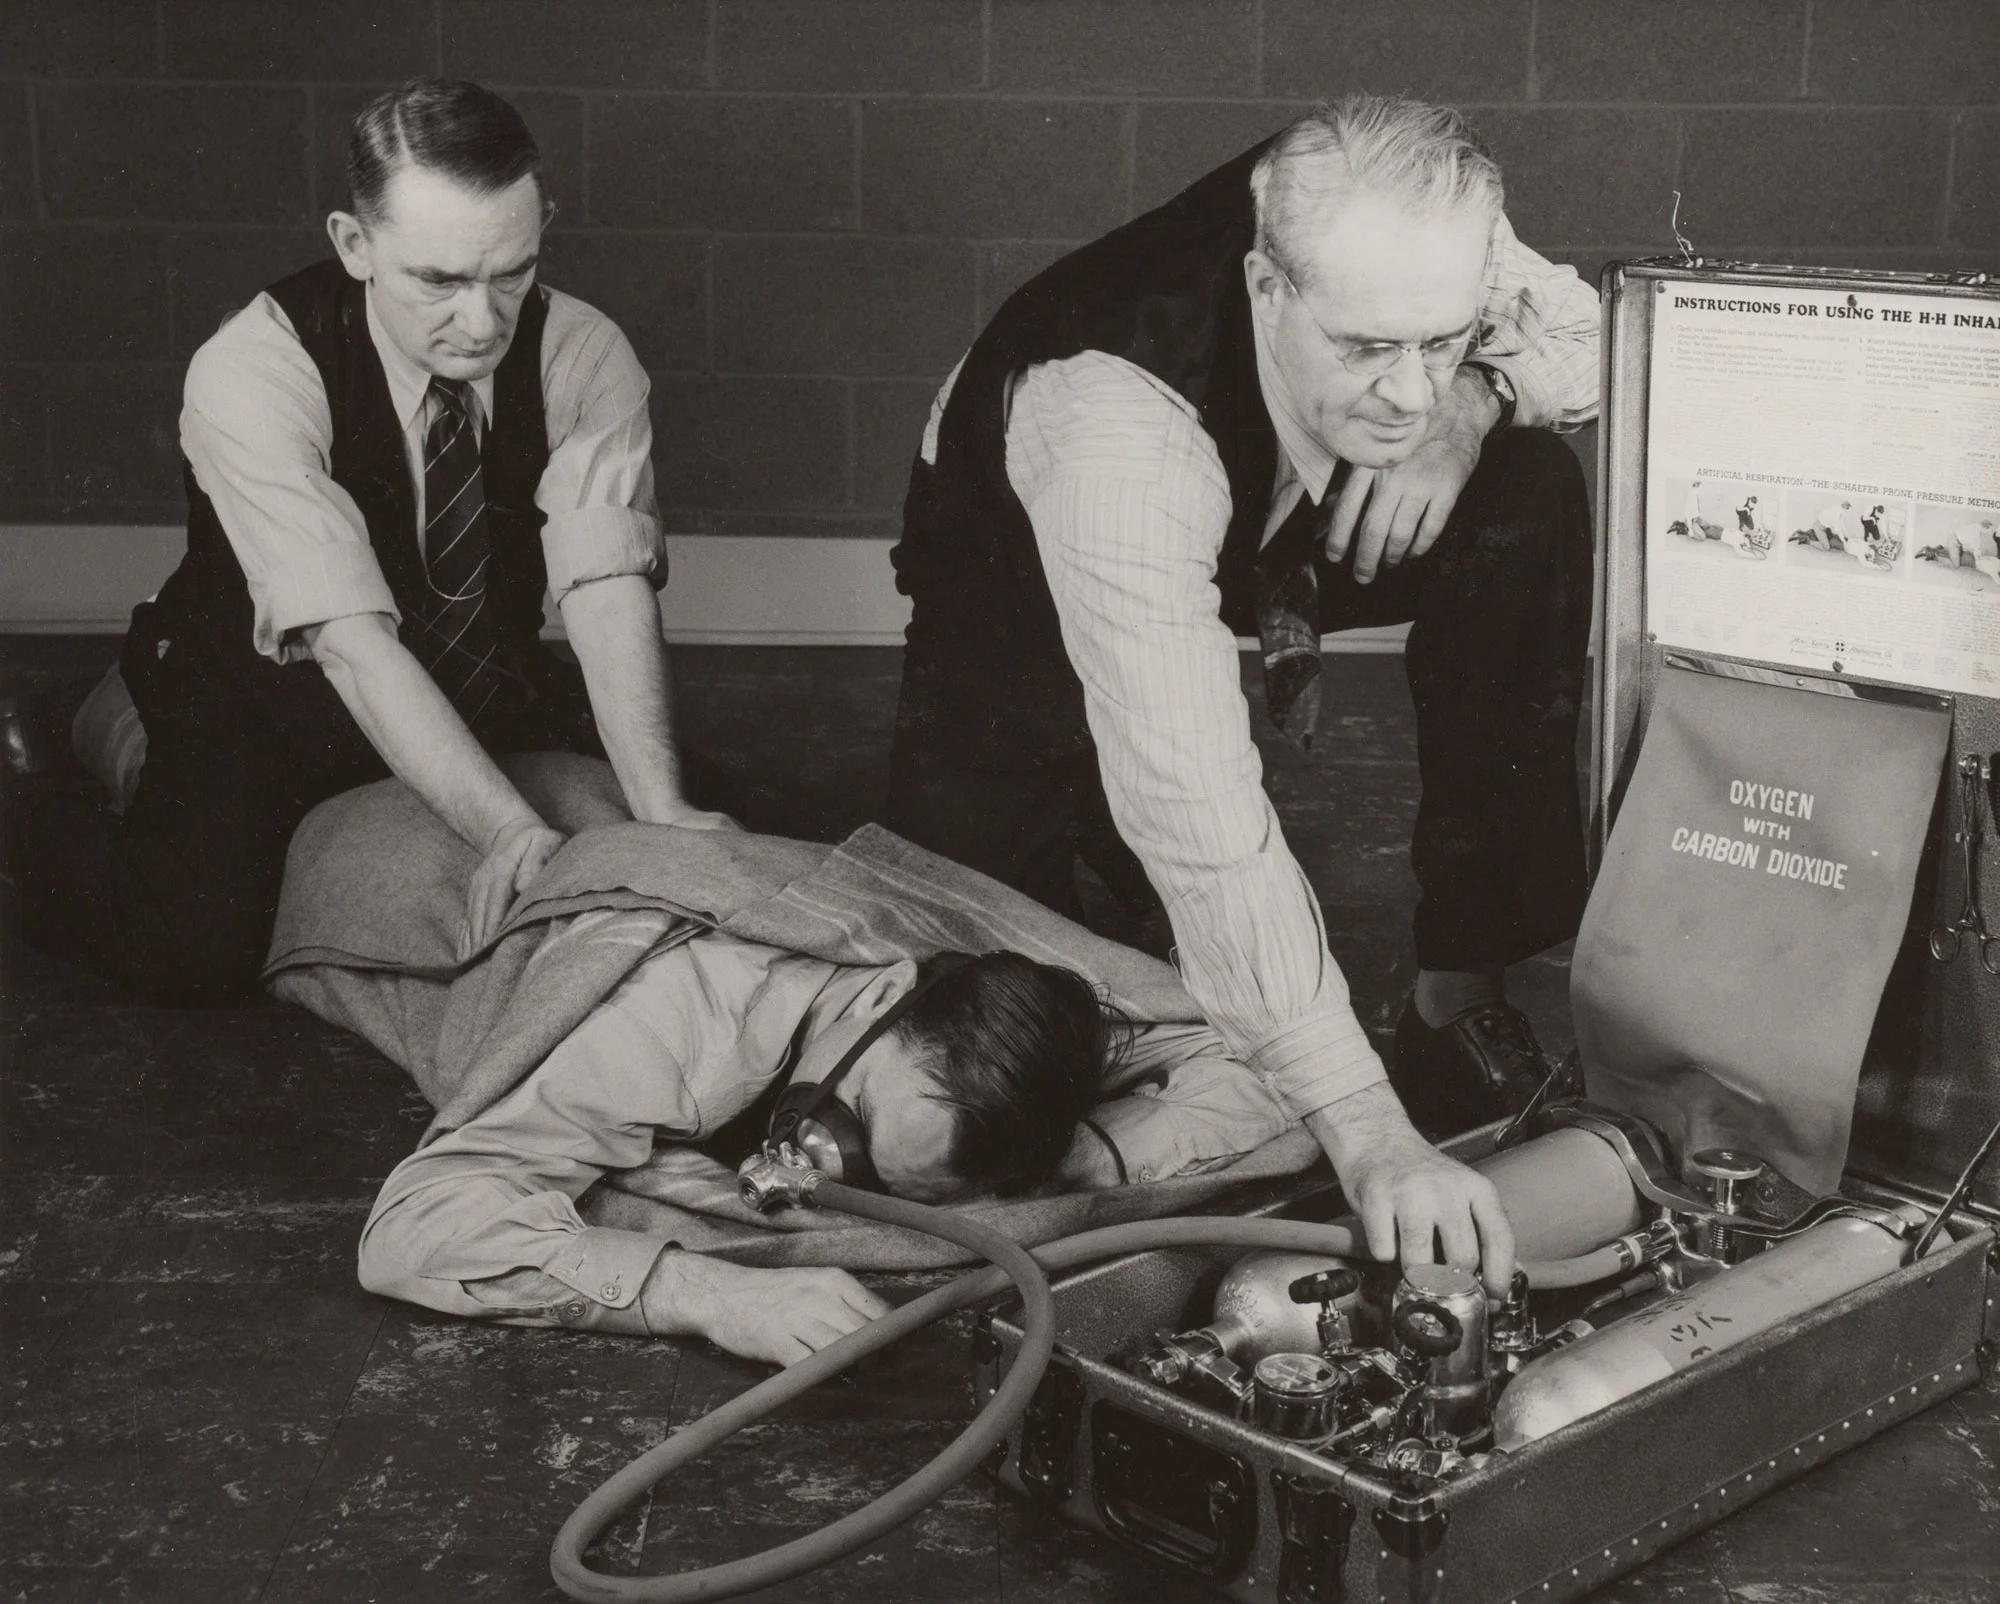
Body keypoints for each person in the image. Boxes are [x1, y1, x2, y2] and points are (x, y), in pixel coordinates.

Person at [886, 96, 1597, 1293]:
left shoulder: (1393, 222)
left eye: (1436, 339)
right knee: (988, 1037)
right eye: (1365, 349)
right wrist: (1365, 1132)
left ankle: (1453, 995)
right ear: (1268, 288)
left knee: (1529, 489)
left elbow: (1583, 330)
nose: (1407, 392)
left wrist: (1473, 404)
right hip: (1010, 597)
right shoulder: (1112, 432)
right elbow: (1198, 813)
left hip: (1269, 509)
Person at [7, 78, 729, 1005]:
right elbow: (348, 643)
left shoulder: (585, 352)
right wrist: (509, 830)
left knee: (720, 816)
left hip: (470, 671)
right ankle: (70, 753)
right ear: (355, 244)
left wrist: (664, 809)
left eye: (512, 272)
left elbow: (606, 589)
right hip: (260, 687)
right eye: (439, 281)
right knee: (195, 944)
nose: (483, 322)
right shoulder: (254, 367)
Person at [358, 939, 1288, 1366]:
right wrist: (705, 1294)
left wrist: (1079, 1157)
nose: (826, 1173)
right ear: (881, 994)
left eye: (886, 1177)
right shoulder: (684, 1021)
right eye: (857, 1116)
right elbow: (411, 1226)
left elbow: (1279, 1063)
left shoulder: (1006, 1027)